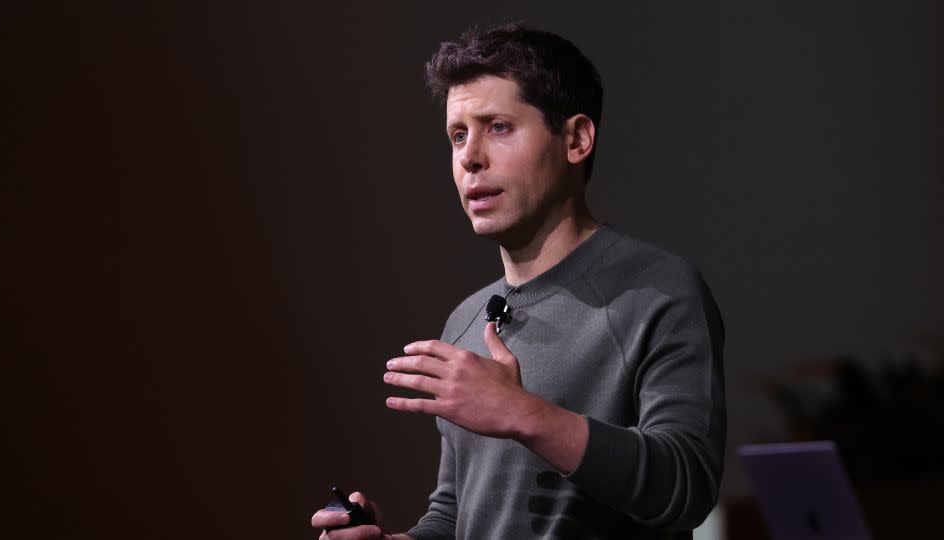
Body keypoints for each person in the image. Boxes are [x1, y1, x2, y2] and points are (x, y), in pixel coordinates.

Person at [311, 22, 725, 540]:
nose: (469, 157)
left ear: (576, 139)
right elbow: (456, 516)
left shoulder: (658, 290)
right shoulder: (465, 321)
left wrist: (524, 414)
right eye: (458, 135)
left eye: (498, 127)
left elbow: (685, 487)